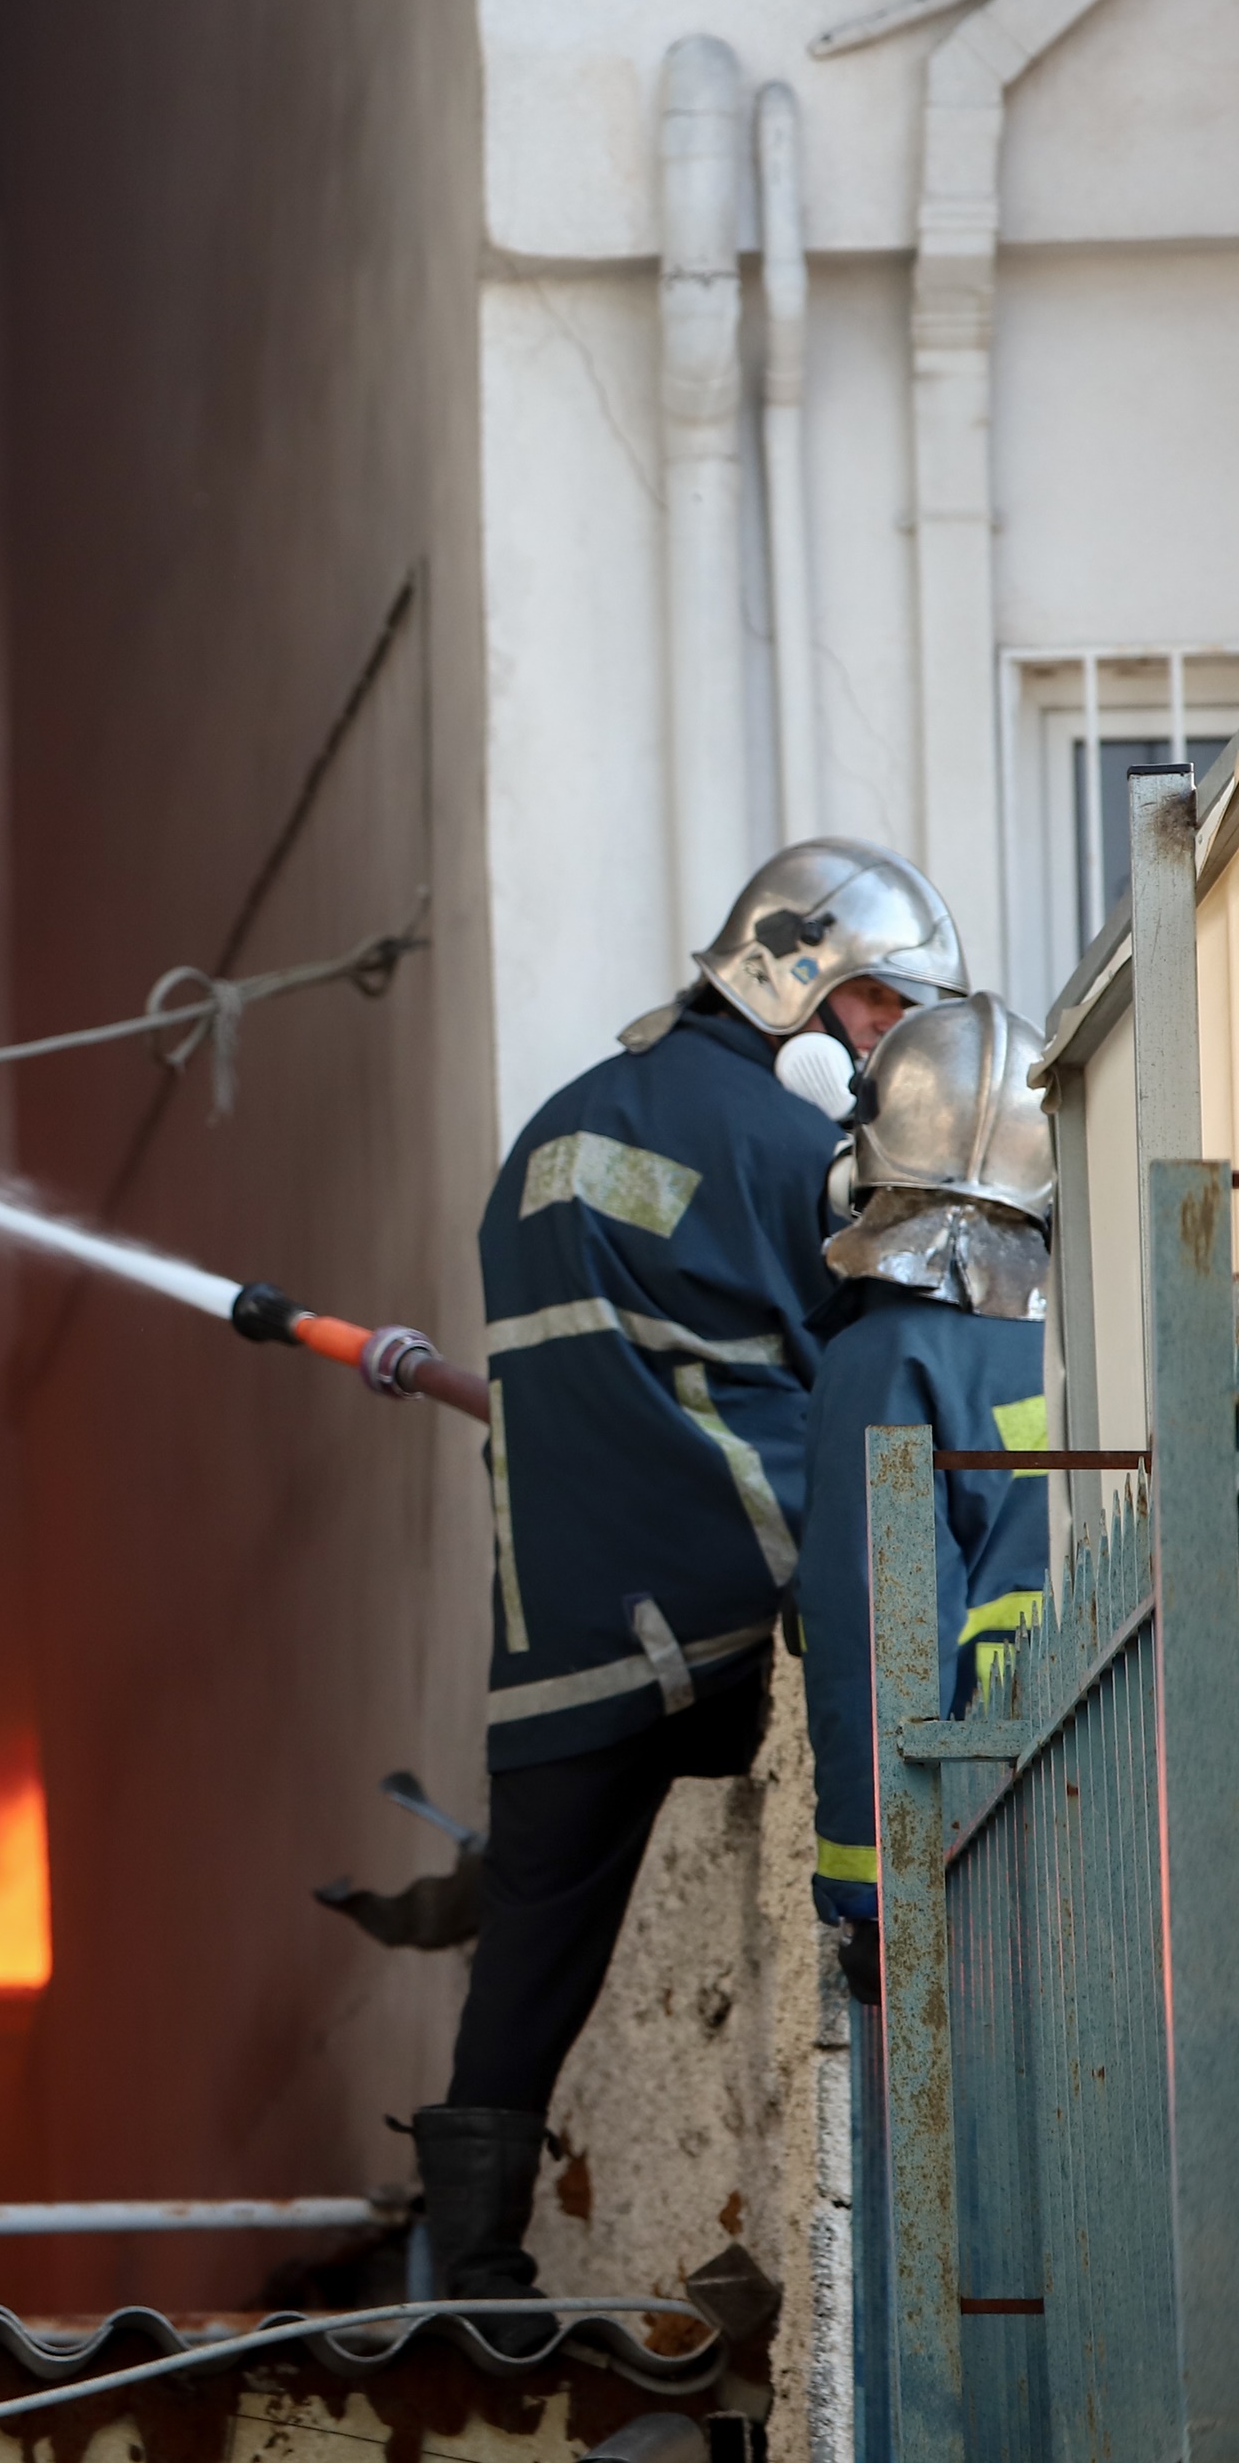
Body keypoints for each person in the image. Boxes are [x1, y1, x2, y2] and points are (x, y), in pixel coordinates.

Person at [414, 836, 967, 2328]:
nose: (880, 1047)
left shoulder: (548, 1131)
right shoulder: (786, 1150)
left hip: (561, 1628)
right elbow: (878, 1356)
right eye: (871, 1010)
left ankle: (474, 2268)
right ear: (792, 982)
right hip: (737, 1596)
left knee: (533, 1945)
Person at [789, 990, 1052, 1992]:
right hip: (1117, 1788)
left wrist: (871, 1886)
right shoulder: (1080, 1336)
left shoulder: (882, 1356)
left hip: (972, 1825)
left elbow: (875, 1623)